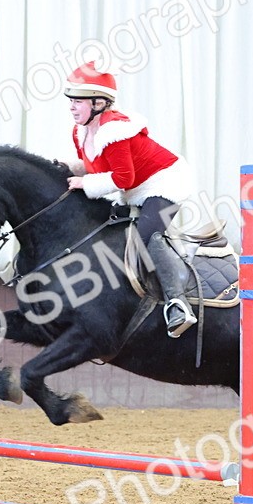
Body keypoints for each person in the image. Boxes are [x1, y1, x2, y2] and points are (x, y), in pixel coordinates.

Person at [62, 62, 198, 338]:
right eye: (71, 101)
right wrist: (65, 168)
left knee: (147, 236)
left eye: (78, 102)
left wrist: (85, 183)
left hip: (165, 182)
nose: (72, 107)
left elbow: (122, 179)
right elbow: (95, 165)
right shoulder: (81, 131)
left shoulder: (114, 131)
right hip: (137, 186)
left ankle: (178, 303)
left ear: (99, 103)